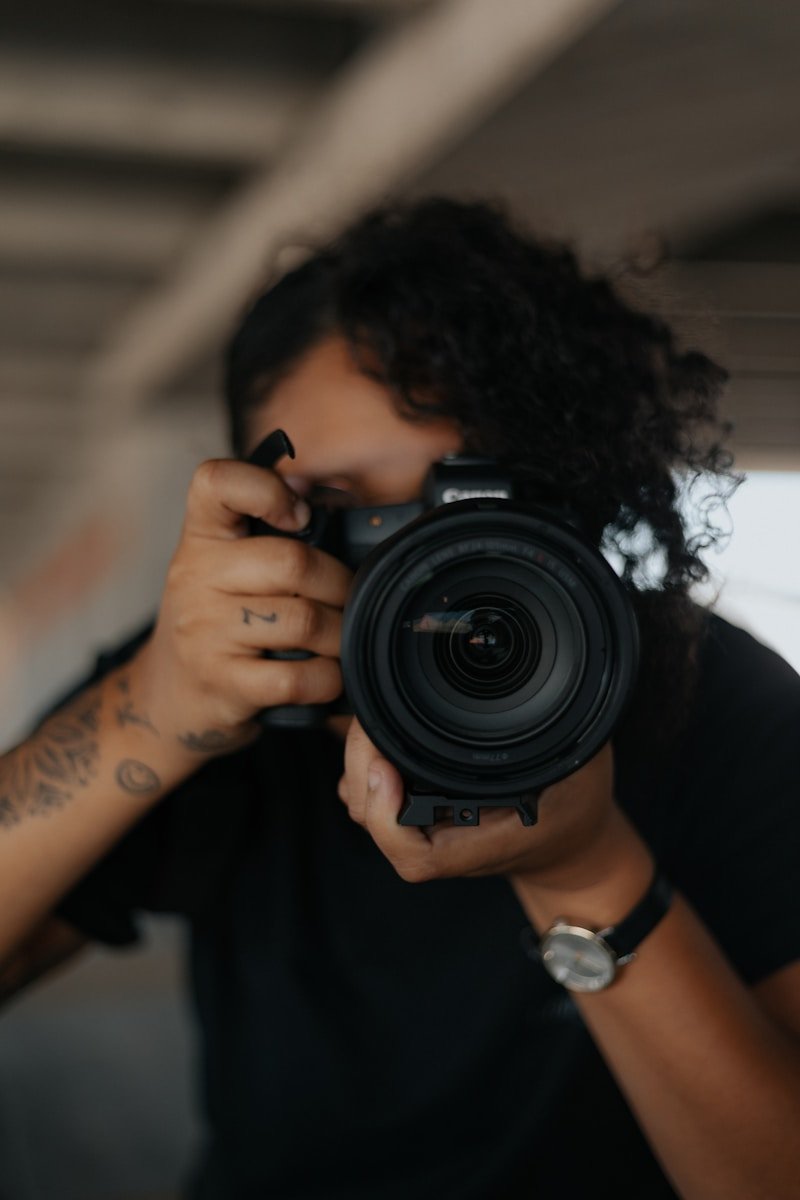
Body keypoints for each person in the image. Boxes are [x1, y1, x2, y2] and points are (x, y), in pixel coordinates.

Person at [1, 198, 799, 1200]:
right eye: (340, 512)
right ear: (259, 521)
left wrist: (582, 871)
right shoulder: (213, 690)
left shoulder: (714, 699)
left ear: (568, 494)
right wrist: (151, 712)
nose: (420, 569)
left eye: (459, 502)